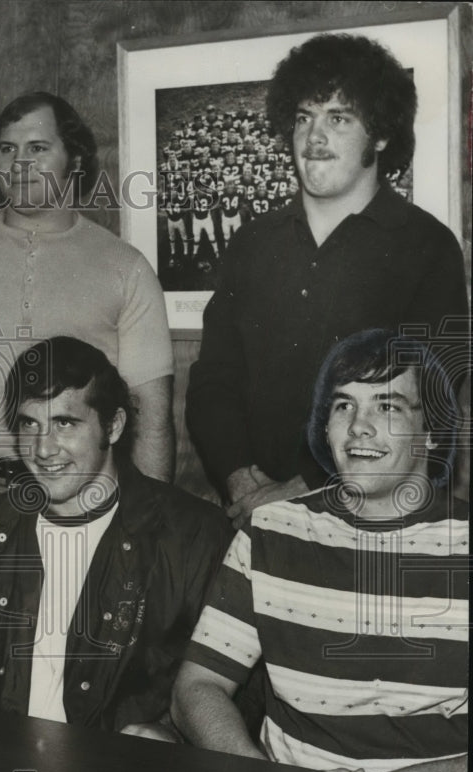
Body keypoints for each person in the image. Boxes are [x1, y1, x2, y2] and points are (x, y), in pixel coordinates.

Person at [186, 32, 469, 528]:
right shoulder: (252, 243)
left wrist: (300, 489)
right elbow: (213, 382)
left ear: (380, 135)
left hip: (372, 523)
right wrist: (241, 484)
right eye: (303, 118)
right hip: (245, 515)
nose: (313, 138)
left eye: (338, 118)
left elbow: (434, 402)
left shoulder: (427, 247)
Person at [0, 337, 230, 735]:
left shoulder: (193, 537)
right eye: (30, 424)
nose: (43, 448)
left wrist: (173, 733)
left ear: (113, 426)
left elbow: (230, 680)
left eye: (65, 423)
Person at [173, 330, 468, 772]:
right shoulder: (271, 531)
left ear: (431, 432)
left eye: (387, 406)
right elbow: (197, 688)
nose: (359, 427)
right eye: (343, 405)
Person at [0, 91, 174, 554]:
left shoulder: (126, 268)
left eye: (38, 148)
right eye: (8, 149)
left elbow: (152, 415)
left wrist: (143, 530)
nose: (19, 163)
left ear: (75, 158)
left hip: (75, 496)